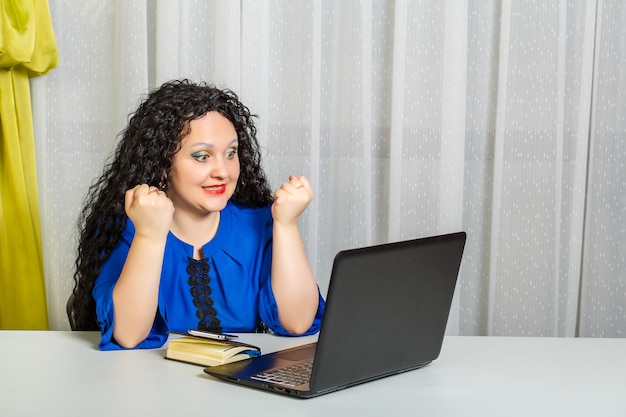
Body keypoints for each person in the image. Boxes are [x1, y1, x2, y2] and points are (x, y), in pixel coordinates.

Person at [70, 79, 325, 350]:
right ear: (161, 165)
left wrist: (286, 225)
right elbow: (128, 335)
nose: (223, 172)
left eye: (231, 153)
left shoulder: (261, 224)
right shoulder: (124, 229)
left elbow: (297, 322)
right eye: (202, 156)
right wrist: (149, 236)